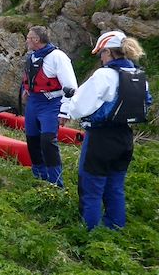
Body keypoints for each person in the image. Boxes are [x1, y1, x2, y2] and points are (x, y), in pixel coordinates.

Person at [59, 30, 152, 230]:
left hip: (100, 138)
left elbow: (78, 107)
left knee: (91, 188)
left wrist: (71, 100)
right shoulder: (139, 75)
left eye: (102, 53)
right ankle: (115, 227)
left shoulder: (104, 75)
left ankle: (90, 233)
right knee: (115, 187)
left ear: (109, 53)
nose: (101, 57)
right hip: (125, 137)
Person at [22, 25, 78, 187]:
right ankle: (39, 176)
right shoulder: (32, 56)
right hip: (34, 102)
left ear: (36, 40)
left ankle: (56, 182)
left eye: (28, 37)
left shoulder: (58, 57)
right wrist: (26, 90)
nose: (26, 40)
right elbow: (31, 77)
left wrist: (65, 112)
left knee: (47, 141)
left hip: (51, 103)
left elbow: (70, 87)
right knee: (32, 139)